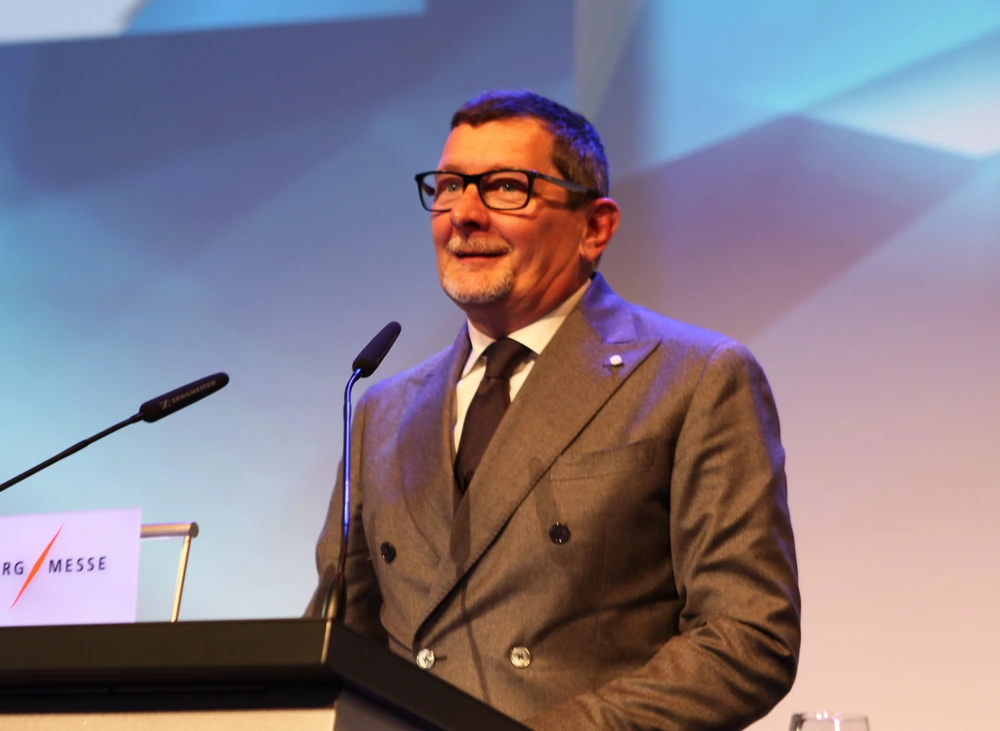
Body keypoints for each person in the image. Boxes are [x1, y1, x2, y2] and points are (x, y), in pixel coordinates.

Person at [309, 90, 800, 730]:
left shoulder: (697, 378)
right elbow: (339, 644)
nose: (465, 215)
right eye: (450, 186)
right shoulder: (381, 409)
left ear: (594, 227)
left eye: (505, 187)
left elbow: (747, 637)